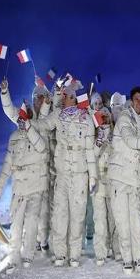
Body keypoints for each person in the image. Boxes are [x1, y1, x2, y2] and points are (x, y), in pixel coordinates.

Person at [34, 81, 97, 267]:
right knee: (60, 214)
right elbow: (43, 125)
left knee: (77, 214)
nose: (63, 99)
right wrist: (28, 122)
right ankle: (60, 254)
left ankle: (74, 254)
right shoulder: (58, 115)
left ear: (74, 99)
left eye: (66, 97)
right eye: (62, 96)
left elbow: (90, 151)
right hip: (62, 174)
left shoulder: (86, 119)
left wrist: (93, 177)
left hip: (79, 174)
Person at [0, 79, 54, 253]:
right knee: (29, 211)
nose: (39, 100)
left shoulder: (48, 115)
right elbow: (9, 110)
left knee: (44, 211)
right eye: (36, 97)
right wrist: (5, 93)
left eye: (42, 97)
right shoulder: (26, 114)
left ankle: (42, 240)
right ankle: (32, 241)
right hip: (28, 175)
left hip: (46, 170)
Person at [107, 86, 140, 274]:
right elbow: (129, 140)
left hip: (135, 180)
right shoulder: (124, 118)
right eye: (136, 99)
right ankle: (127, 259)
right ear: (130, 101)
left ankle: (139, 258)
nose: (139, 103)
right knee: (122, 221)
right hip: (120, 179)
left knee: (136, 221)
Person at [0, 108, 49, 273]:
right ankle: (13, 257)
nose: (20, 122)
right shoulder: (13, 137)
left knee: (32, 221)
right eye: (19, 119)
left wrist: (29, 129)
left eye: (23, 119)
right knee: (16, 225)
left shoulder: (38, 134)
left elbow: (42, 149)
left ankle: (28, 255)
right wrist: (0, 183)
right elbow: (8, 162)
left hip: (35, 186)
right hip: (19, 187)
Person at [93, 107, 120, 266]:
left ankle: (116, 249)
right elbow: (90, 156)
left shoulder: (116, 135)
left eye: (107, 116)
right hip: (98, 182)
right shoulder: (94, 136)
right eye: (102, 117)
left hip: (113, 180)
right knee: (100, 220)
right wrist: (99, 140)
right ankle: (101, 252)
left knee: (114, 218)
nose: (105, 119)